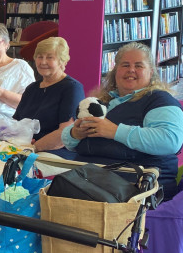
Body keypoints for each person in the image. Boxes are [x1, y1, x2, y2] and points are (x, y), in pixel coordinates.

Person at [61, 42, 183, 200]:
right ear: (116, 71)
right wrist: (74, 133)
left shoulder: (159, 100)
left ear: (151, 72)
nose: (131, 70)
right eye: (125, 65)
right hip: (89, 182)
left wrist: (115, 131)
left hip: (136, 191)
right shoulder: (102, 101)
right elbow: (67, 141)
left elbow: (170, 141)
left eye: (138, 65)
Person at [13, 37, 84, 152]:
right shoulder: (32, 88)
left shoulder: (72, 88)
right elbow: (17, 122)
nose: (43, 62)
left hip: (54, 152)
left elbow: (65, 134)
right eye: (40, 57)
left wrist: (32, 148)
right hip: (23, 147)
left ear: (62, 61)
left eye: (50, 57)